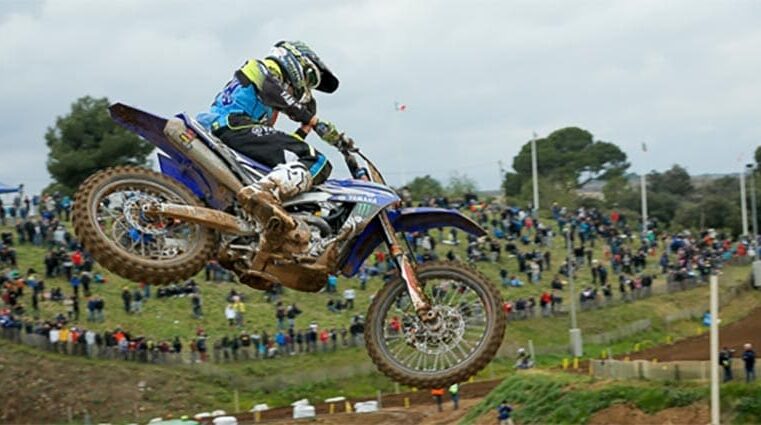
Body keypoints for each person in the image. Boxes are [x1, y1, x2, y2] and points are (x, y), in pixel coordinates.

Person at [197, 40, 351, 237]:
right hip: (232, 125)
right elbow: (274, 92)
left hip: (232, 130)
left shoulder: (267, 101)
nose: (307, 87)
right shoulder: (259, 67)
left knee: (294, 171)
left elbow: (274, 145)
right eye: (310, 79)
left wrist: (303, 131)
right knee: (317, 161)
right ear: (297, 61)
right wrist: (312, 120)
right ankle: (263, 194)